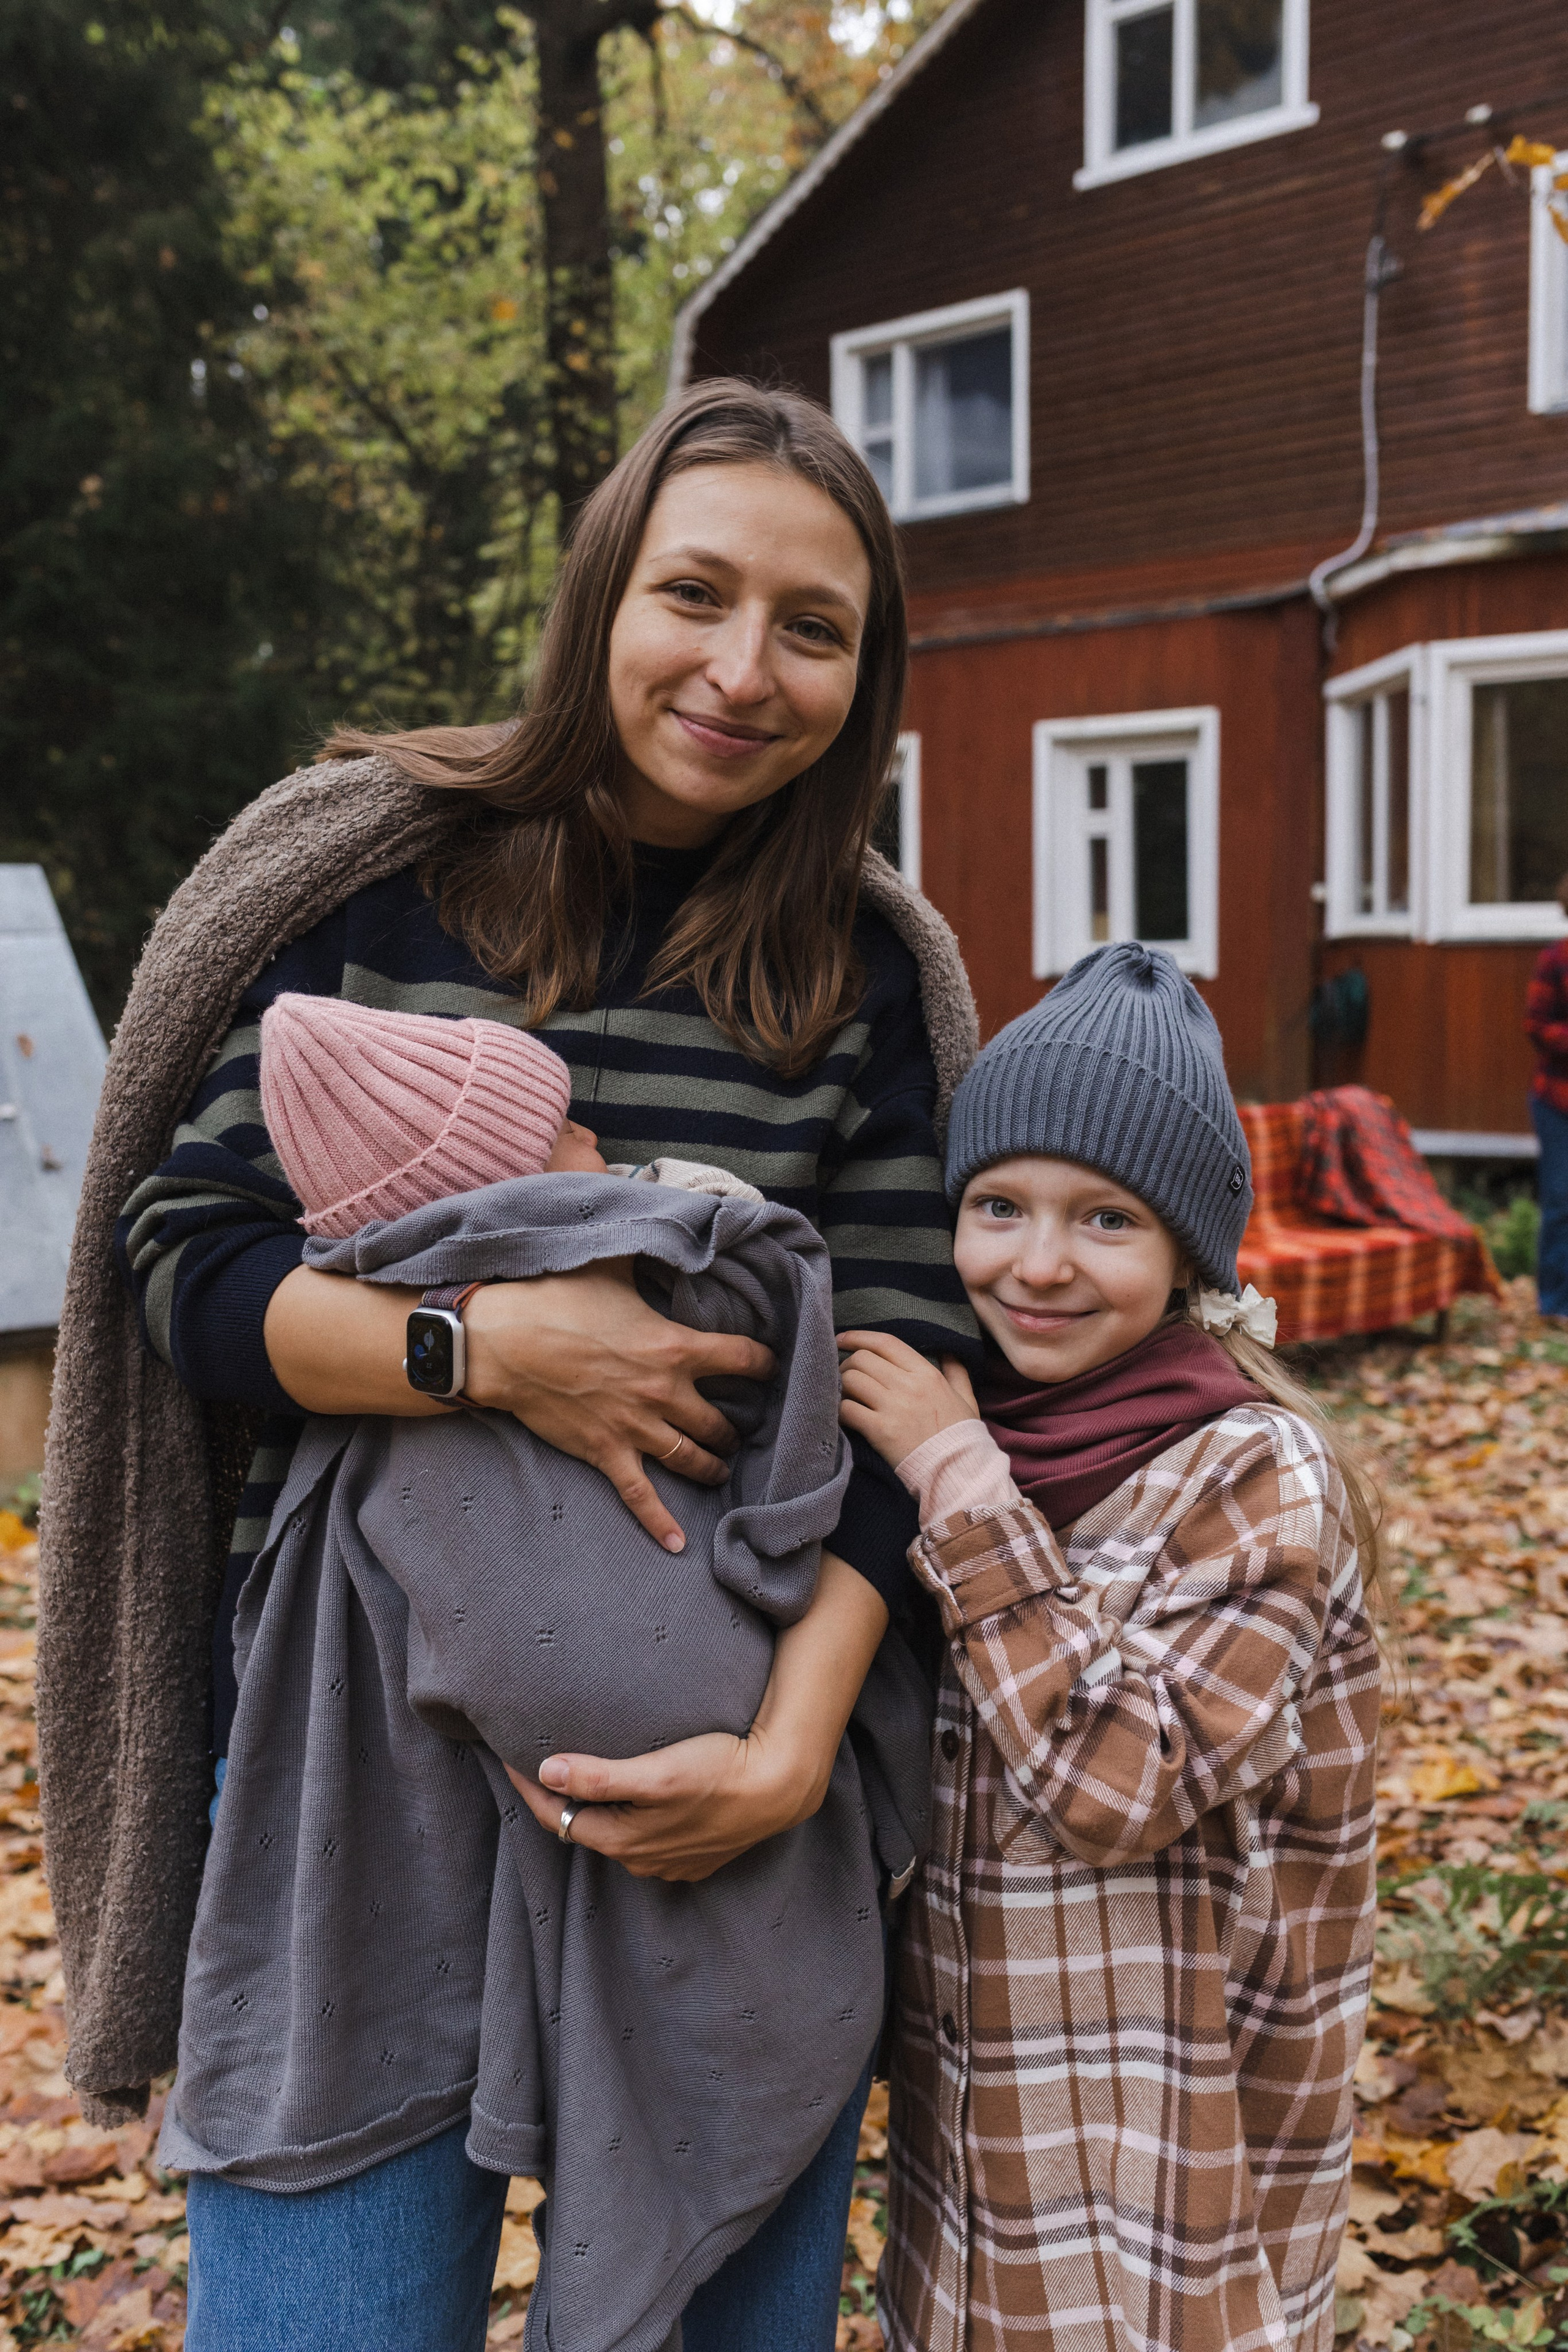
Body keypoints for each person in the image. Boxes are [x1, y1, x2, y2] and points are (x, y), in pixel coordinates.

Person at [39, 379, 981, 2352]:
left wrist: (794, 1752)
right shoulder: (376, 873)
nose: (741, 668)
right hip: (343, 1766)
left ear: (865, 672)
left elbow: (906, 1390)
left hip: (719, 1773)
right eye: (694, 594)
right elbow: (183, 1266)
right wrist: (487, 1350)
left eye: (811, 627)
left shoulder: (863, 969)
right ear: (599, 595)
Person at [837, 943, 1384, 2352]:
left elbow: (1116, 1781)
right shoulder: (983, 1424)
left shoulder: (1247, 1469)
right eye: (996, 1203)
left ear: (1186, 1251)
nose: (1034, 1262)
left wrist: (959, 1483)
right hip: (984, 2156)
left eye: (1103, 1221)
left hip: (1169, 2179)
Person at [1525, 874, 1568, 1319]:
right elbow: (1537, 1025)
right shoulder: (1556, 959)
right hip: (1558, 1102)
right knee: (1561, 1200)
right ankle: (1555, 1304)